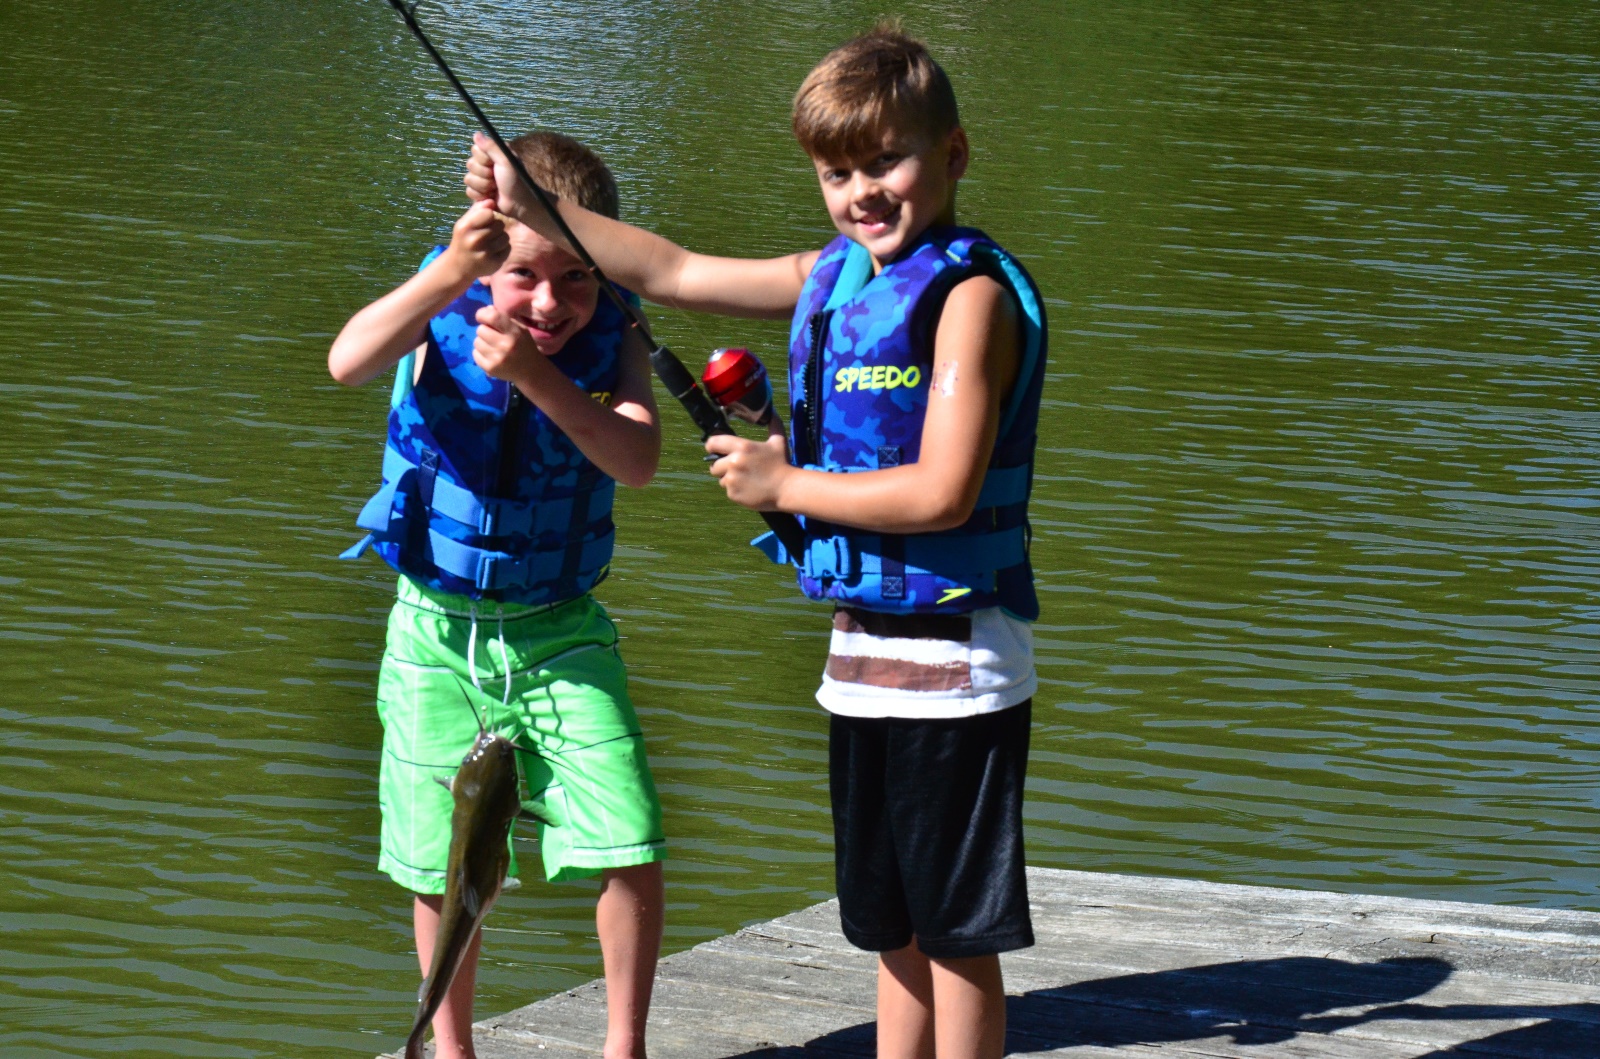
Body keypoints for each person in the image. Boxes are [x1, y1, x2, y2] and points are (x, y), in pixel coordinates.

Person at [466, 25, 1046, 1059]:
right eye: (837, 173)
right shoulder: (832, 275)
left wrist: (787, 484)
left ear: (953, 155)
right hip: (860, 663)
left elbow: (948, 492)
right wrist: (532, 205)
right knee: (888, 927)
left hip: (958, 669)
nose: (862, 192)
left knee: (957, 935)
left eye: (886, 162)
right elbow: (673, 269)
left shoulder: (971, 299)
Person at [328, 131, 666, 1059]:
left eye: (577, 278)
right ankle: (452, 1047)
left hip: (562, 632)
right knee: (439, 859)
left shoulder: (615, 331)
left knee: (630, 836)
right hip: (433, 632)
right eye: (524, 276)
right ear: (484, 260)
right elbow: (347, 362)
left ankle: (624, 1046)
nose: (551, 302)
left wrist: (535, 375)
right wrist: (448, 271)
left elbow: (636, 460)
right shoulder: (439, 299)